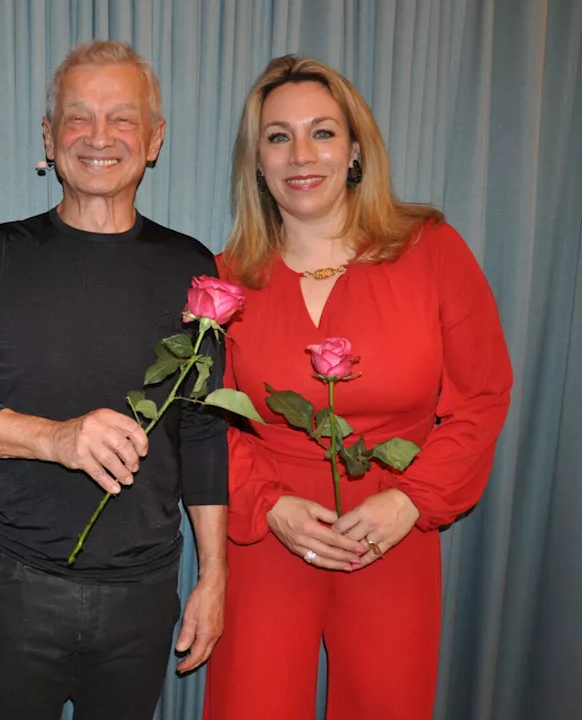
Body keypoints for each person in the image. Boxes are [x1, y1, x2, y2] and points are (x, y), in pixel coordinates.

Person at [0, 41, 228, 720]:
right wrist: (54, 439)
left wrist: (214, 575)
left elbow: (203, 435)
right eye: (78, 118)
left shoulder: (192, 267)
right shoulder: (1, 254)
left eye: (122, 118)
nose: (99, 136)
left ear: (154, 140)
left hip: (144, 592)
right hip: (17, 585)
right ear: (50, 137)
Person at [202, 55, 514, 720]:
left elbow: (481, 398)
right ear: (257, 161)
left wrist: (411, 500)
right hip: (268, 536)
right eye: (278, 136)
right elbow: (205, 419)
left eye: (322, 131)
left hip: (392, 533)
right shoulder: (227, 280)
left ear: (354, 150)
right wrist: (269, 505)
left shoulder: (431, 249)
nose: (300, 154)